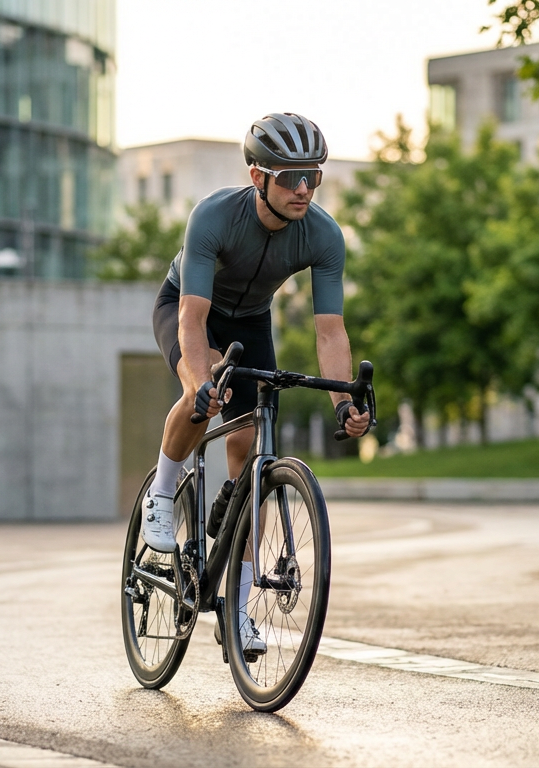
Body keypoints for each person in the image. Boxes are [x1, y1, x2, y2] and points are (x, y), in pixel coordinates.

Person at [143, 112, 371, 653]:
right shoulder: (215, 218)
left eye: (313, 176)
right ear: (257, 177)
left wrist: (344, 402)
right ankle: (161, 492)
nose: (303, 189)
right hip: (188, 309)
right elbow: (192, 322)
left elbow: (331, 332)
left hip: (251, 322)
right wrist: (204, 382)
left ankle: (237, 612)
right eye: (290, 176)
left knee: (250, 451)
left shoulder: (323, 234)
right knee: (200, 402)